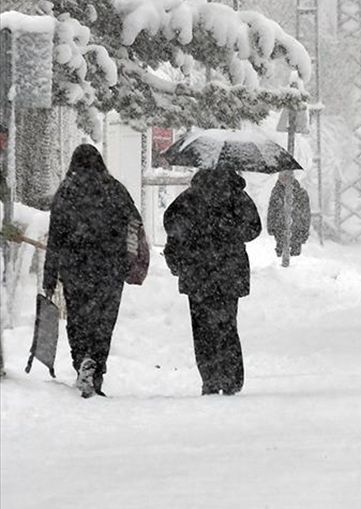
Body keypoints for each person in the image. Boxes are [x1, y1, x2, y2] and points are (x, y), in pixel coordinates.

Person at [42, 143, 143, 398]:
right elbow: (134, 221)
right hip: (109, 267)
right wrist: (128, 255)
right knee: (103, 321)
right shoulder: (115, 188)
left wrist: (50, 275)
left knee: (78, 318)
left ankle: (82, 361)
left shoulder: (66, 191)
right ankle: (96, 367)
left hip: (74, 267)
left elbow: (55, 236)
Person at [164, 164, 262, 396]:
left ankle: (210, 379)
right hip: (229, 271)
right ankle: (231, 379)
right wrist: (228, 230)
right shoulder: (238, 197)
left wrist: (185, 248)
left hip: (198, 271)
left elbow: (171, 223)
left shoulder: (190, 197)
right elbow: (254, 229)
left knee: (202, 328)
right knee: (227, 325)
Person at [266, 170, 311, 258]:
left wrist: (304, 232)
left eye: (285, 177)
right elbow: (271, 210)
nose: (282, 180)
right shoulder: (276, 193)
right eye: (281, 177)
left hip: (296, 231)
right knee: (281, 255)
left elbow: (306, 215)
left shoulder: (301, 193)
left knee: (295, 259)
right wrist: (271, 227)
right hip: (280, 230)